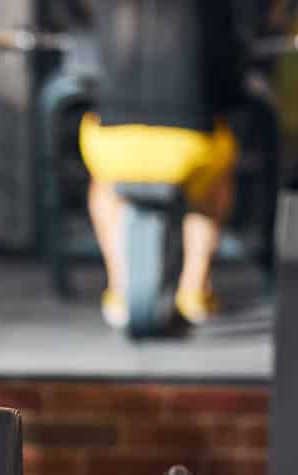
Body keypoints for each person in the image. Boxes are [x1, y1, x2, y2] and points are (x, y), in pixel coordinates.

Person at [78, 0, 250, 329]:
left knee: (103, 188)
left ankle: (118, 288)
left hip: (114, 147)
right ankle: (195, 288)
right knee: (213, 189)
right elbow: (231, 71)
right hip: (189, 147)